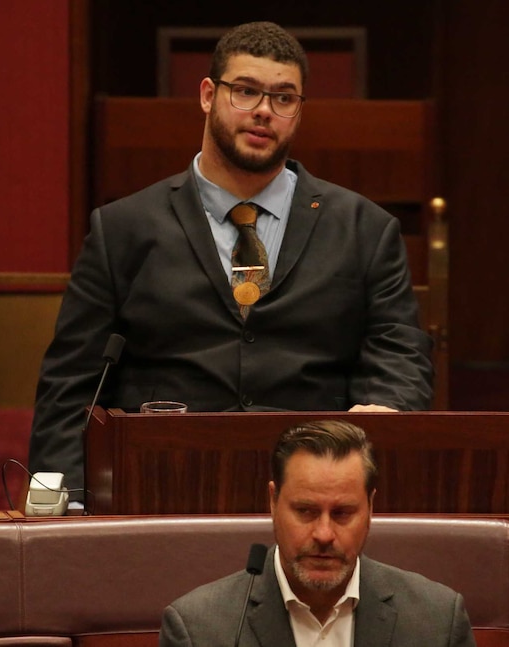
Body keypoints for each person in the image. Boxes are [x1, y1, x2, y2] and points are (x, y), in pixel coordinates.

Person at [28, 21, 433, 503]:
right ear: (207, 95)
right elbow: (72, 384)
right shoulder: (123, 229)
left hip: (313, 493)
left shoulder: (365, 229)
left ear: (299, 111)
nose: (264, 111)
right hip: (161, 487)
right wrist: (62, 499)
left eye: (284, 98)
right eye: (245, 91)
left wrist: (388, 412)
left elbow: (401, 358)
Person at [159, 420, 476, 646]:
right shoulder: (198, 629)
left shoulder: (436, 621)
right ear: (273, 502)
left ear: (371, 508)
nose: (324, 534)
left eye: (342, 513)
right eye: (306, 511)